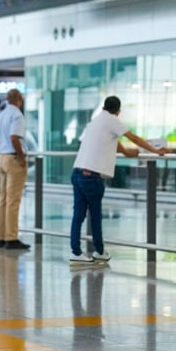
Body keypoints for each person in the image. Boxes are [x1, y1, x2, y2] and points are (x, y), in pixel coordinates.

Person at [69, 96, 167, 264]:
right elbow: (133, 138)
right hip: (92, 177)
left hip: (77, 173)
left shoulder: (96, 121)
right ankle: (99, 252)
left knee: (78, 215)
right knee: (95, 215)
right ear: (118, 111)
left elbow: (113, 140)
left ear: (104, 108)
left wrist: (128, 154)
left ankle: (76, 253)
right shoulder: (112, 120)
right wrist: (156, 151)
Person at [0, 88, 29, 249]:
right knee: (13, 200)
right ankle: (11, 238)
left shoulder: (1, 115)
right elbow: (14, 137)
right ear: (19, 99)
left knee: (3, 200)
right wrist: (22, 158)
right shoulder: (17, 115)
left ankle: (1, 236)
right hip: (12, 159)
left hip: (1, 158)